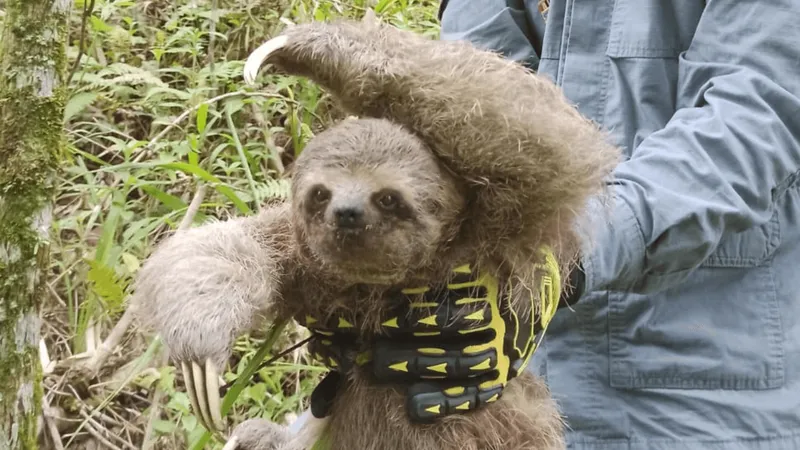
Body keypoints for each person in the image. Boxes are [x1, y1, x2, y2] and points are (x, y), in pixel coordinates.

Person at [299, 1, 800, 449]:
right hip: (501, 388)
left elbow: (752, 117)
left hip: (698, 397)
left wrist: (560, 252)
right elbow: (464, 115)